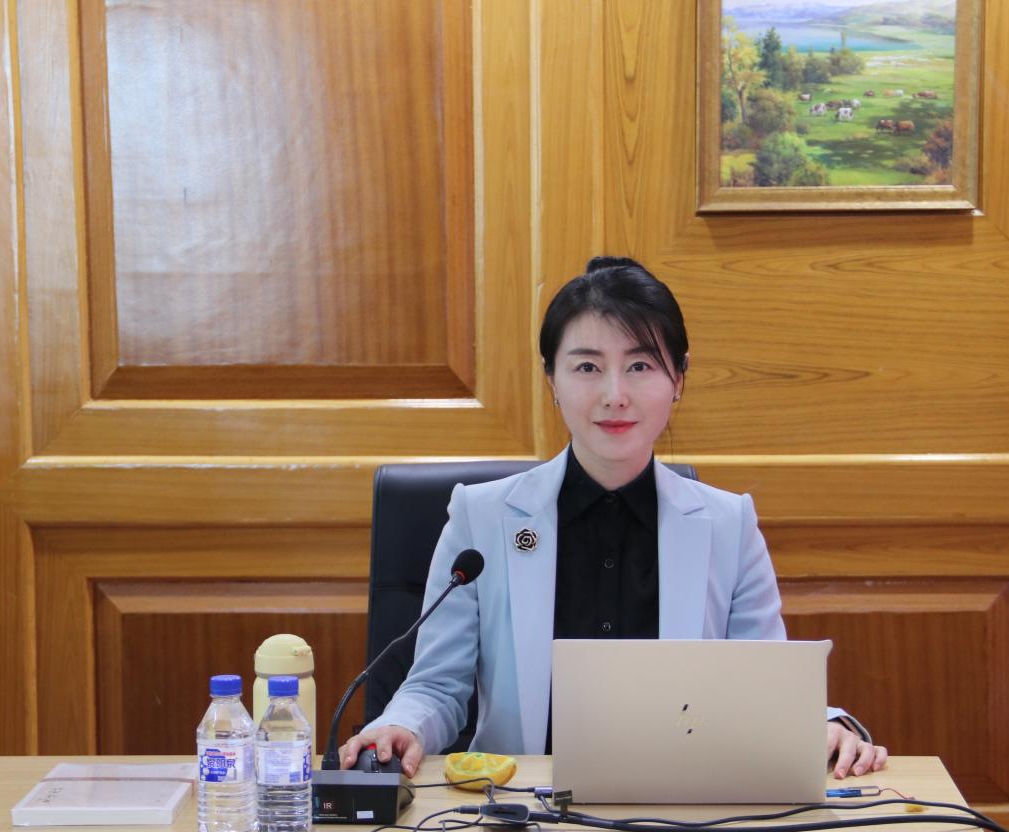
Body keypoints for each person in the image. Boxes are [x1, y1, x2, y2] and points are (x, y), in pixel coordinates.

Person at [340, 256, 887, 780]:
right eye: (587, 367)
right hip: (522, 812)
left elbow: (764, 688)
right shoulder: (480, 518)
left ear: (679, 379)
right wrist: (401, 725)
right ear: (552, 379)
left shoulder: (729, 525)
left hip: (680, 806)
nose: (614, 395)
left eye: (640, 366)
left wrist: (824, 725)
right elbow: (437, 687)